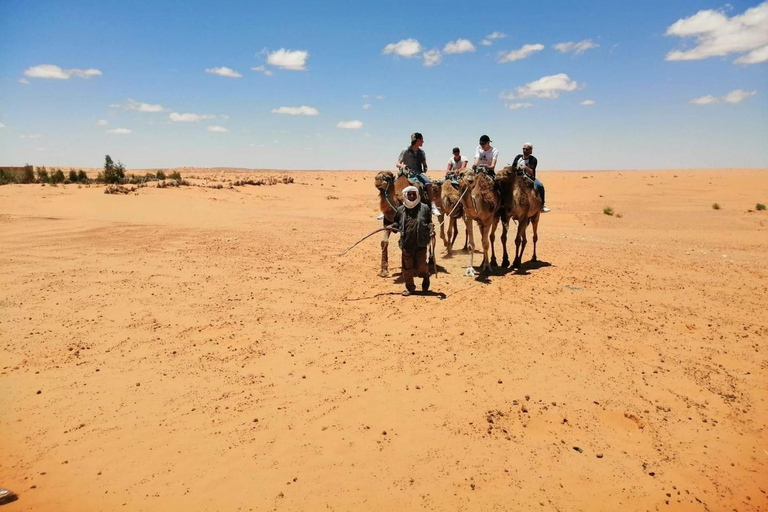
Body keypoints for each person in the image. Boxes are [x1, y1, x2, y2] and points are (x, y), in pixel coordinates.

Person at [388, 186, 433, 296]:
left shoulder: (425, 208)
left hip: (421, 243)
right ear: (405, 195)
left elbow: (429, 222)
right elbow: (397, 223)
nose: (412, 196)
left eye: (414, 194)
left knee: (421, 266)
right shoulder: (400, 210)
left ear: (417, 195)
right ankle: (410, 288)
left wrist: (431, 230)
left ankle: (426, 276)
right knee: (407, 267)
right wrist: (392, 226)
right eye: (410, 194)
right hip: (406, 243)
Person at [396, 132, 441, 217]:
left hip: (418, 174)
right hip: (406, 173)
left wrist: (425, 168)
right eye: (422, 140)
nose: (423, 142)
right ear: (418, 140)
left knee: (428, 184)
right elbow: (397, 163)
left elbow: (424, 165)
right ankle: (386, 210)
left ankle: (432, 205)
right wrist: (402, 165)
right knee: (391, 185)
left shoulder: (421, 152)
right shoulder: (405, 151)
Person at [511, 142, 550, 212]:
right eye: (524, 149)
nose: (525, 150)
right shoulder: (518, 157)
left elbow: (531, 171)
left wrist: (525, 167)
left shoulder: (533, 159)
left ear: (530, 151)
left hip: (529, 178)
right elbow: (512, 167)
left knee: (539, 185)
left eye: (527, 149)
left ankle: (542, 205)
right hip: (517, 177)